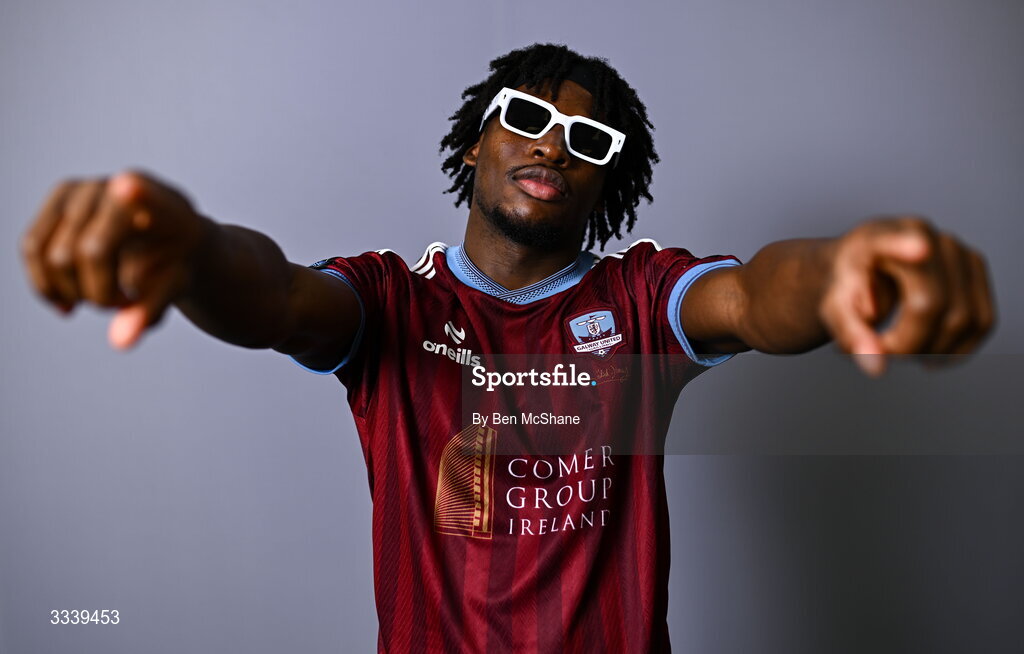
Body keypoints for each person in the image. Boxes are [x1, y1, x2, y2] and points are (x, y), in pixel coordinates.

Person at [20, 43, 994, 653]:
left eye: (585, 139)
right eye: (525, 118)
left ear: (606, 183)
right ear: (474, 146)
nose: (551, 146)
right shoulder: (390, 301)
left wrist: (833, 276)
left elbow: (753, 297)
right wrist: (189, 249)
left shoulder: (641, 298)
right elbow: (272, 294)